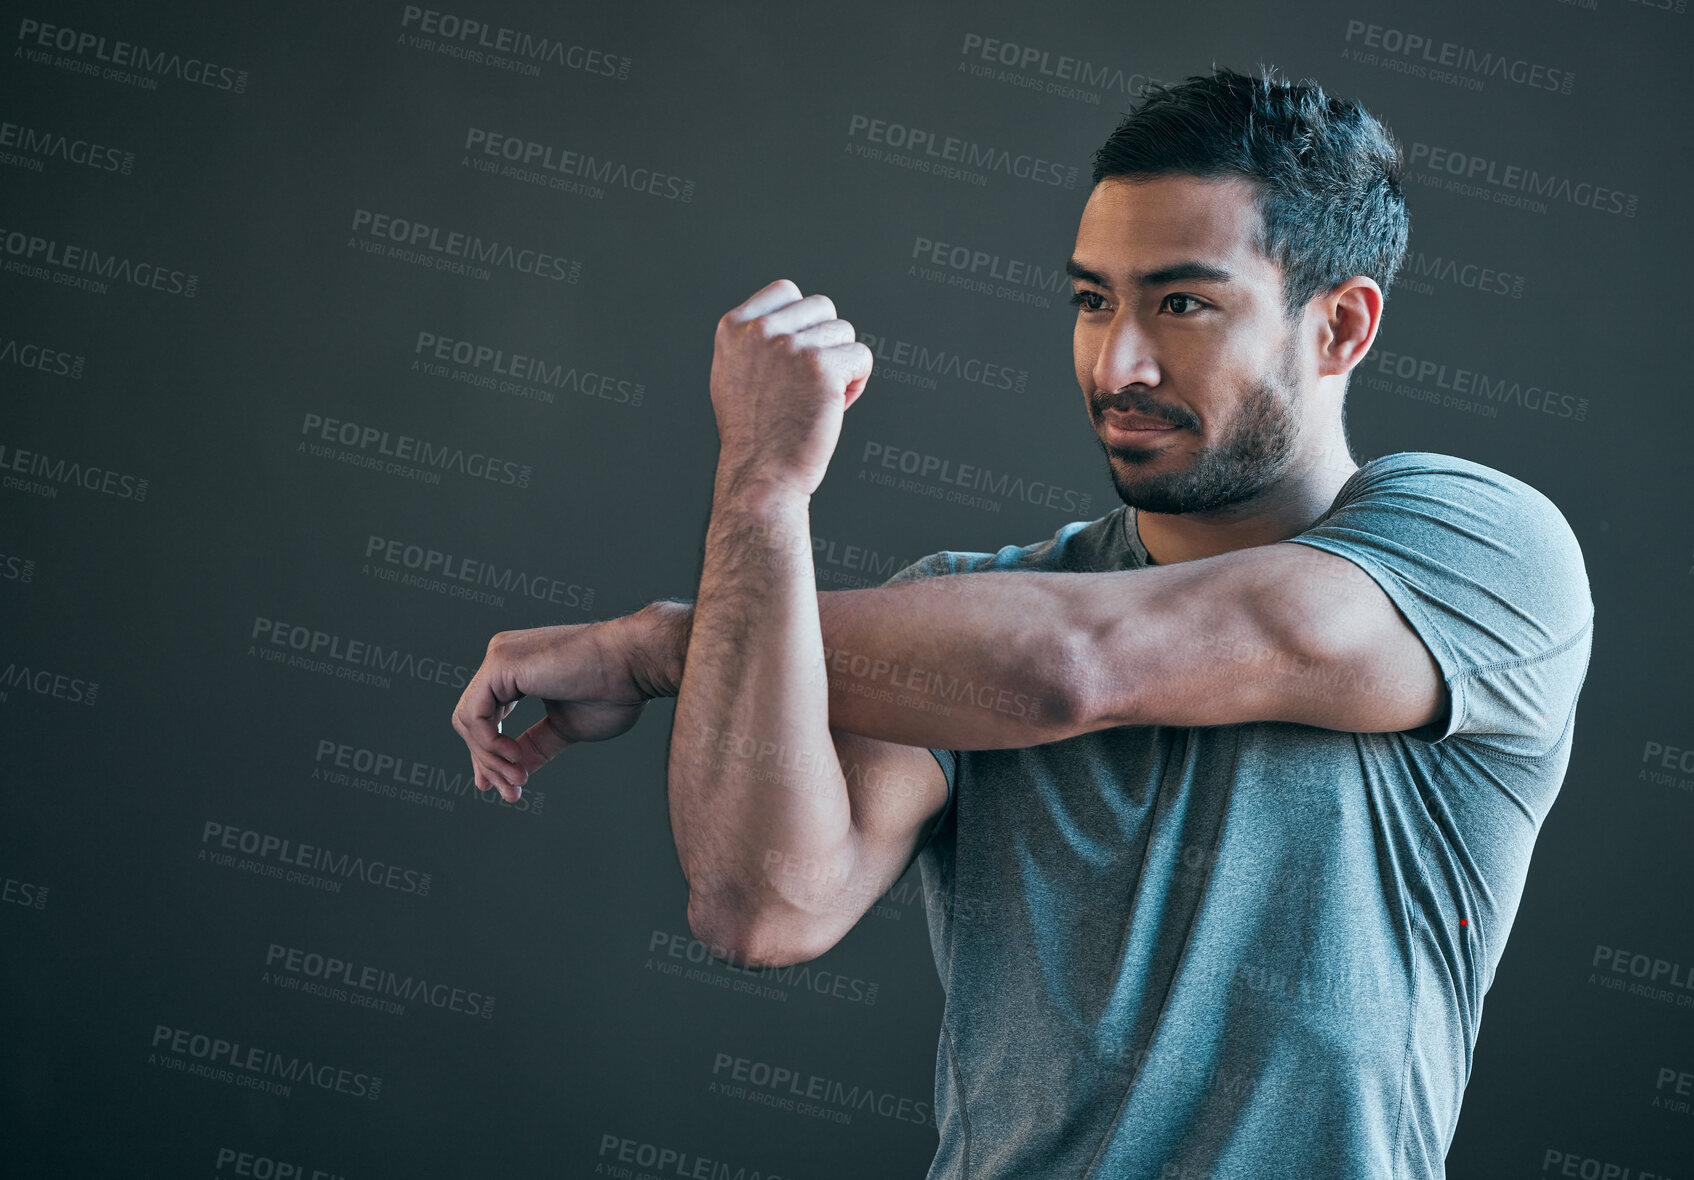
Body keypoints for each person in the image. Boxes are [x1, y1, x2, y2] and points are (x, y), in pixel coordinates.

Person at [450, 65, 1593, 1180]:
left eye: (1181, 303)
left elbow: (1075, 666)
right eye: (1093, 300)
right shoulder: (953, 615)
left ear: (1339, 326)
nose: (1118, 361)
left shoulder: (1475, 549)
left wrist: (657, 644)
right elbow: (762, 905)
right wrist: (759, 485)